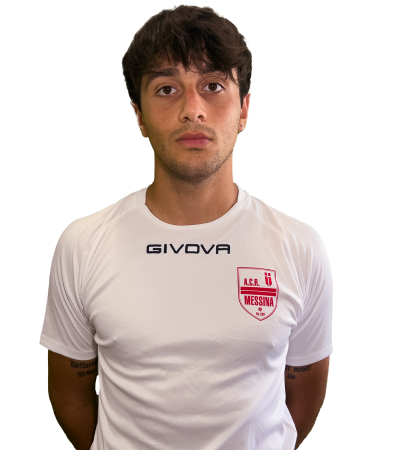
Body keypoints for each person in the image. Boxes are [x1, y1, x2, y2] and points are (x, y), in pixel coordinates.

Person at [40, 4, 332, 450]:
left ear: (244, 110)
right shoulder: (82, 243)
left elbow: (304, 395)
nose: (192, 110)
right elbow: (70, 395)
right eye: (167, 89)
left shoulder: (300, 245)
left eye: (213, 86)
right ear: (138, 115)